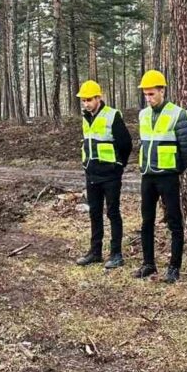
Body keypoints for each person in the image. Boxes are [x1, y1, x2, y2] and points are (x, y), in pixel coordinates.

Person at [136, 69, 187, 283]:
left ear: (162, 90)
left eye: (152, 94)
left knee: (174, 221)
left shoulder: (177, 113)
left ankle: (174, 267)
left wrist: (178, 168)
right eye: (146, 94)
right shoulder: (143, 115)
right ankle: (148, 264)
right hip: (147, 176)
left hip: (168, 176)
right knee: (147, 221)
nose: (148, 98)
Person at [74, 80, 132, 269]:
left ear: (99, 98)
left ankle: (116, 254)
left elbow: (126, 144)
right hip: (91, 174)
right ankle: (95, 252)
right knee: (95, 213)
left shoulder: (112, 115)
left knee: (113, 213)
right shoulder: (85, 117)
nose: (86, 103)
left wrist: (118, 166)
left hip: (110, 175)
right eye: (83, 100)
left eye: (89, 99)